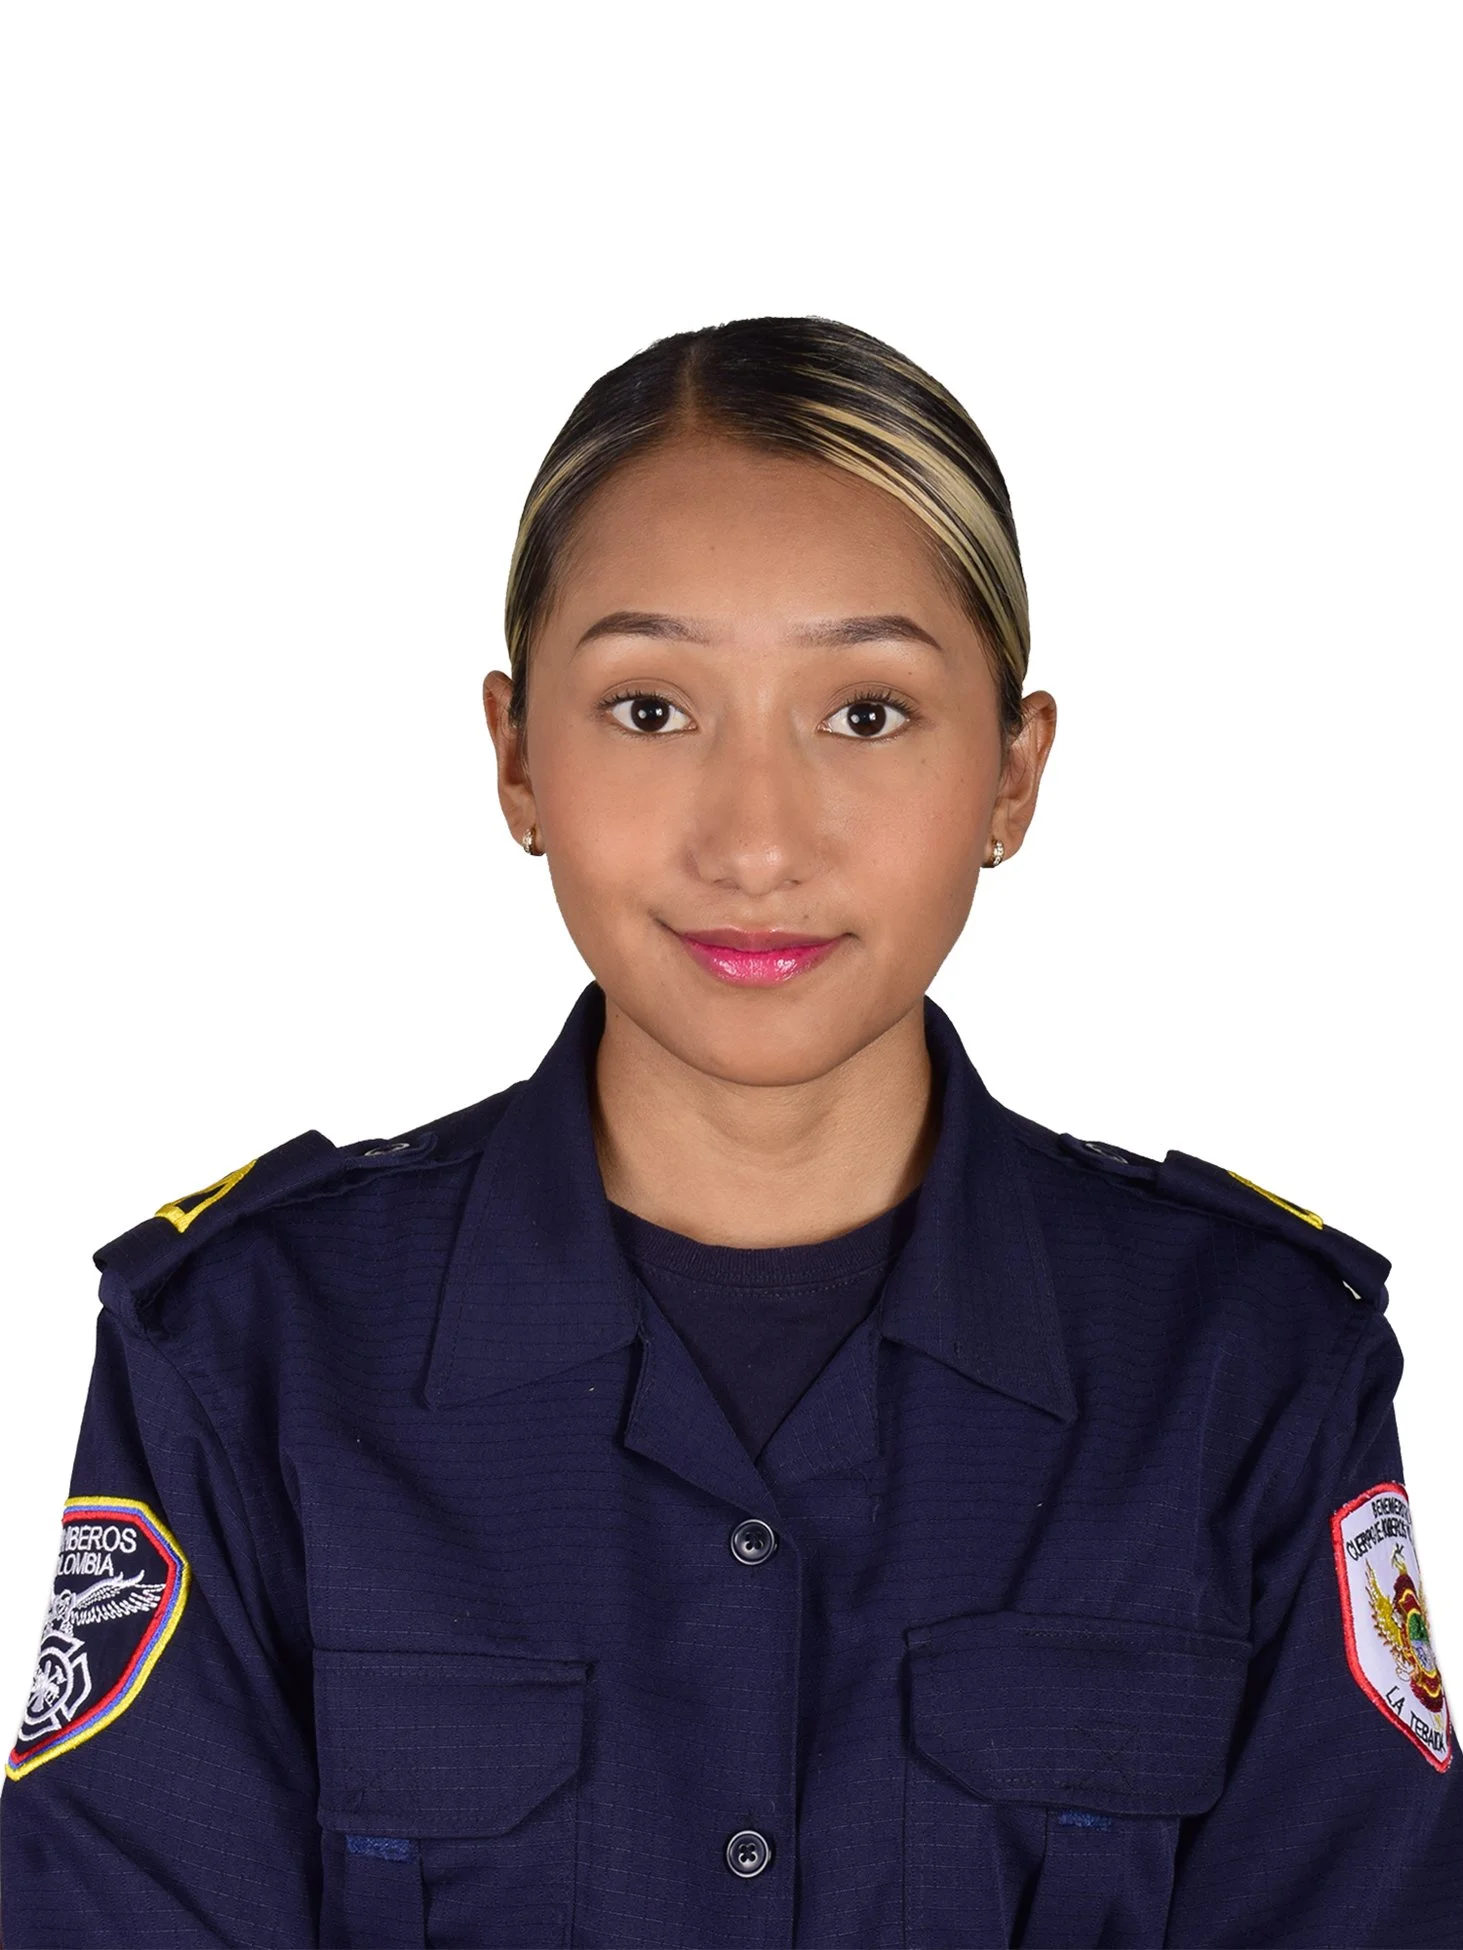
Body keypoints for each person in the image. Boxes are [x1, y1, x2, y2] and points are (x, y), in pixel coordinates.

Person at [1, 316, 1457, 1950]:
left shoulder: (1246, 1369)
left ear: (1013, 773)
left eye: (865, 714)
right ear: (513, 755)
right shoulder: (246, 1357)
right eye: (647, 710)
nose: (757, 840)